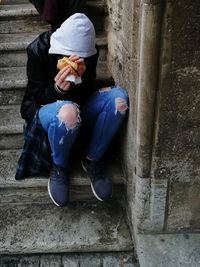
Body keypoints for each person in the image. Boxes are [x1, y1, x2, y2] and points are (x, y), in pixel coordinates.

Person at [15, 13, 129, 207]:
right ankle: (59, 166)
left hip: (78, 109)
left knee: (119, 100)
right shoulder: (38, 50)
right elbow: (29, 105)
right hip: (47, 111)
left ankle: (92, 159)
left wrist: (80, 81)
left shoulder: (89, 53)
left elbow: (83, 97)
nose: (74, 60)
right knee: (68, 114)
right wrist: (56, 90)